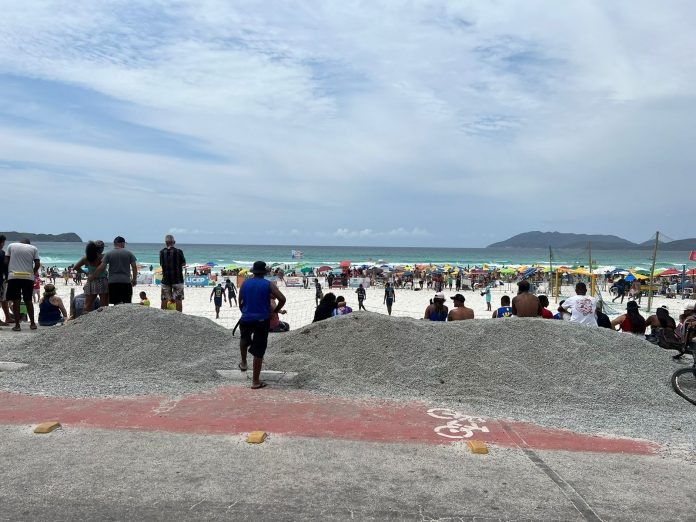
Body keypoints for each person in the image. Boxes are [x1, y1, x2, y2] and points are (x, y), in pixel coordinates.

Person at [238, 261, 286, 389]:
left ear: (253, 272)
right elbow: (282, 299)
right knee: (259, 350)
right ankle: (255, 381)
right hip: (262, 320)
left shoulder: (245, 283)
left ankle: (243, 362)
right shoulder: (268, 284)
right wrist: (274, 312)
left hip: (246, 318)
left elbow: (240, 302)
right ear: (265, 272)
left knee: (244, 339)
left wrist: (245, 312)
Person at [5, 239, 40, 331]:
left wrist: (7, 274)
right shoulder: (33, 248)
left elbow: (6, 261)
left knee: (16, 300)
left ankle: (17, 325)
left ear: (20, 242)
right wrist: (33, 272)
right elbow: (37, 264)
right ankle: (32, 324)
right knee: (28, 300)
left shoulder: (11, 245)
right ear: (28, 244)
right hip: (28, 277)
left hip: (14, 276)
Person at [91, 236, 137, 305]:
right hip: (125, 282)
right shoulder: (129, 253)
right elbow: (134, 267)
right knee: (127, 304)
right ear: (121, 243)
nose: (124, 245)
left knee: (115, 304)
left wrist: (93, 276)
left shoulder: (109, 253)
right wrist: (134, 279)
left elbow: (101, 267)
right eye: (124, 243)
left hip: (113, 282)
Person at [74, 240, 109, 313]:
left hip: (91, 281)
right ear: (101, 248)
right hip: (102, 280)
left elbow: (76, 267)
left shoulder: (86, 258)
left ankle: (84, 320)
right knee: (104, 304)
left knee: (88, 304)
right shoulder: (103, 257)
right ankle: (104, 320)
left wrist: (85, 273)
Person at [159, 234, 186, 312]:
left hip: (166, 279)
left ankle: (163, 316)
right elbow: (183, 263)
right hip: (177, 279)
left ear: (166, 242)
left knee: (164, 299)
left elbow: (161, 264)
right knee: (178, 299)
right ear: (174, 242)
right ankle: (179, 317)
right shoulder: (179, 251)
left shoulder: (162, 252)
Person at [0, 234, 11, 325]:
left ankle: (8, 317)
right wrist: (8, 277)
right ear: (2, 242)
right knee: (2, 299)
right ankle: (6, 318)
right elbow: (6, 267)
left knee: (3, 299)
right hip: (0, 279)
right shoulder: (2, 253)